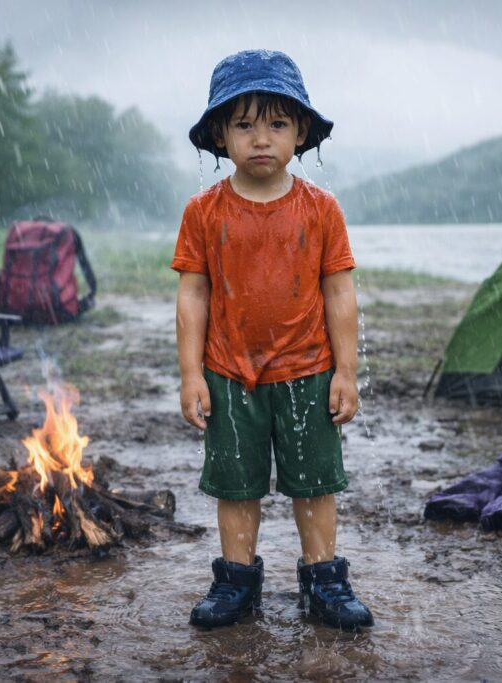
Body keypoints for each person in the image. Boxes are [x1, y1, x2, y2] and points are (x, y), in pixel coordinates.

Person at [172, 49, 373, 630]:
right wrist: (191, 376)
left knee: (314, 482)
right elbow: (192, 296)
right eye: (244, 124)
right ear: (219, 133)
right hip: (229, 373)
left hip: (309, 370)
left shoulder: (321, 209)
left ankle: (325, 581)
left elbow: (339, 293)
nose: (261, 138)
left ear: (300, 131)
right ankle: (236, 584)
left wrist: (346, 371)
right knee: (236, 484)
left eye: (277, 124)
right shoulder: (204, 212)